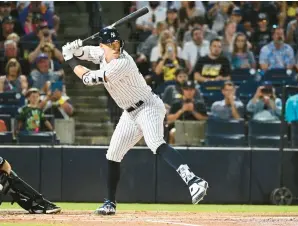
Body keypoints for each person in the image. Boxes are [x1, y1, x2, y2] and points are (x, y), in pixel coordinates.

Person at [62, 28, 209, 215]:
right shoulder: (100, 52)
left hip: (148, 106)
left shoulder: (122, 63)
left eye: (118, 44)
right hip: (130, 113)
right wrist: (73, 48)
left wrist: (69, 58)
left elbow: (88, 78)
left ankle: (194, 181)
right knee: (113, 154)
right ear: (103, 46)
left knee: (155, 143)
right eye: (112, 45)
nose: (116, 48)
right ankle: (110, 203)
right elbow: (85, 52)